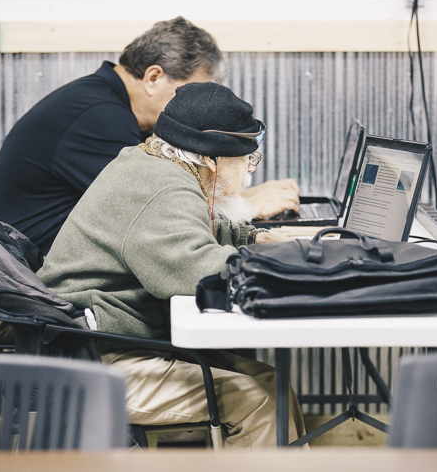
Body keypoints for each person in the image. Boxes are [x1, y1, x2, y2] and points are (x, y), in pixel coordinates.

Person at [37, 82, 305, 448]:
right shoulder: (165, 188)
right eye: (247, 160)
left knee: (274, 386)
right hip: (90, 360)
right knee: (259, 401)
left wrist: (255, 240)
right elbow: (196, 270)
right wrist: (299, 271)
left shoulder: (151, 163)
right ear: (211, 159)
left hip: (101, 341)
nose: (249, 174)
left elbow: (188, 230)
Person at [0, 16, 299, 254]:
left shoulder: (100, 102)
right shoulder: (99, 118)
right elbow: (159, 213)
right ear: (153, 77)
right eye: (186, 94)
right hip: (38, 293)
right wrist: (246, 205)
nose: (189, 108)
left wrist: (238, 204)